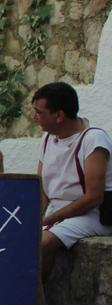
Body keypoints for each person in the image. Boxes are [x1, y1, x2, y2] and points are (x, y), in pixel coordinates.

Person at [34, 82, 111, 280]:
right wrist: (36, 215)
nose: (35, 118)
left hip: (93, 214)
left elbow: (94, 197)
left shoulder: (93, 139)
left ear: (59, 116)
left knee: (42, 243)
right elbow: (41, 186)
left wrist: (50, 220)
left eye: (40, 113)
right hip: (58, 212)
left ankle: (36, 299)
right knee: (18, 239)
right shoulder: (47, 139)